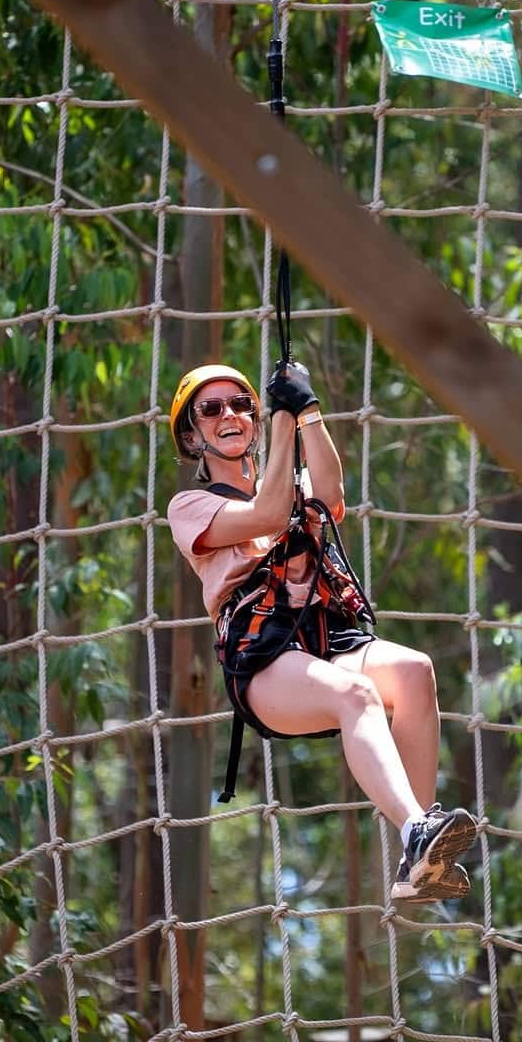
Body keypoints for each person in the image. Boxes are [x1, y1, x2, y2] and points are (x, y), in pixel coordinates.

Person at [167, 360, 478, 903]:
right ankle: (415, 832)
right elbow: (267, 515)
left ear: (256, 422)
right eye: (211, 409)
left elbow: (329, 491)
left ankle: (418, 850)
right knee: (356, 694)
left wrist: (306, 410)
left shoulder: (291, 481)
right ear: (193, 437)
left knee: (412, 671)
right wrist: (284, 419)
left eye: (242, 405)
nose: (230, 415)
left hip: (323, 640)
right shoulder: (191, 507)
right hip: (262, 660)